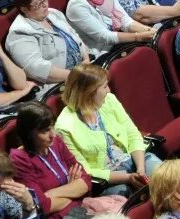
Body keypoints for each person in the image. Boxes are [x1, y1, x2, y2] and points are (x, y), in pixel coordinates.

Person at [54, 62, 160, 193]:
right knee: (127, 196)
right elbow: (85, 170)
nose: (109, 90)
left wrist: (141, 170)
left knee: (168, 177)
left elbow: (132, 133)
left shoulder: (109, 100)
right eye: (104, 87)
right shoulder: (64, 126)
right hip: (107, 179)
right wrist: (127, 178)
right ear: (89, 93)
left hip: (133, 160)